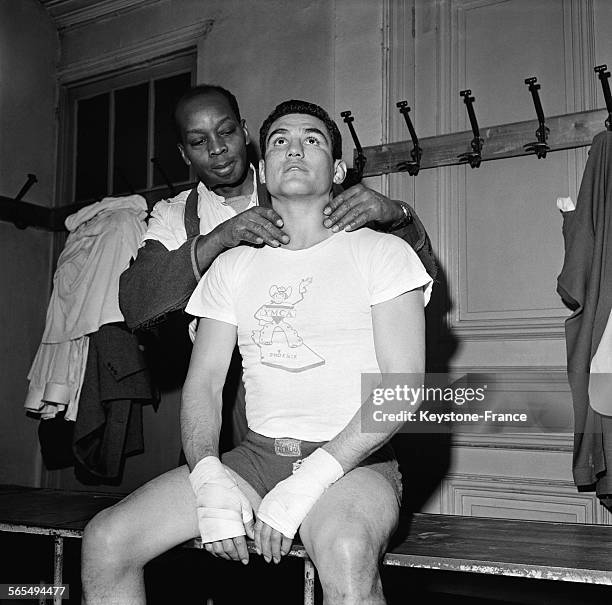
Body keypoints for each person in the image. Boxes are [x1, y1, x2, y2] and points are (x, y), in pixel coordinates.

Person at [81, 99, 432, 605]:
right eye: (279, 141)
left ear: (337, 168)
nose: (294, 148)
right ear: (263, 169)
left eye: (313, 139)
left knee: (348, 552)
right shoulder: (232, 264)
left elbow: (403, 387)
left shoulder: (382, 252)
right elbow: (203, 384)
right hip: (254, 458)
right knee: (106, 540)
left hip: (351, 462)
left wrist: (311, 478)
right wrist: (207, 476)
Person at [118, 83, 436, 450]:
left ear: (245, 132)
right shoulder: (174, 215)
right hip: (222, 380)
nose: (217, 148)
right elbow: (135, 303)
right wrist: (219, 238)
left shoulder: (299, 184)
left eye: (226, 132)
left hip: (323, 397)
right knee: (214, 487)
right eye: (198, 141)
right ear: (184, 154)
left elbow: (416, 275)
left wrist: (398, 214)